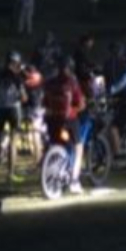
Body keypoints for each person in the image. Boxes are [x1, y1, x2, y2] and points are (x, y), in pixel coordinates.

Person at [42, 58, 87, 194]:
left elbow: (45, 102)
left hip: (51, 120)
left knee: (56, 143)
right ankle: (74, 181)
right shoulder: (72, 82)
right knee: (78, 147)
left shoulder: (50, 83)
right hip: (68, 120)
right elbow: (80, 104)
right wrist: (78, 109)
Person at [0, 52, 27, 181]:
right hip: (13, 110)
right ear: (15, 63)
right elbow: (23, 96)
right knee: (13, 141)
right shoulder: (17, 77)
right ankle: (10, 173)